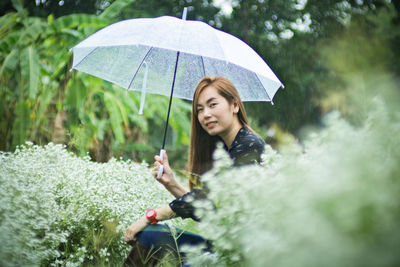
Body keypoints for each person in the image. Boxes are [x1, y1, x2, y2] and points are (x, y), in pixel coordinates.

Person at [123, 76, 265, 266]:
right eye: (200, 110)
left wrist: (151, 216)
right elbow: (210, 210)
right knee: (151, 236)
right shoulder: (226, 149)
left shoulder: (250, 145)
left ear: (235, 105)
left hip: (247, 254)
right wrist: (172, 183)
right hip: (224, 246)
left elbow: (205, 199)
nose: (205, 114)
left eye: (212, 105)